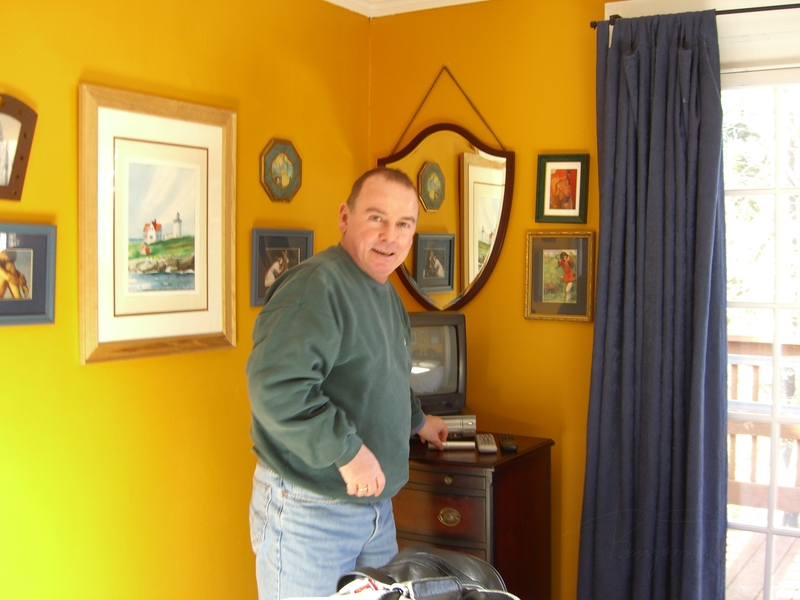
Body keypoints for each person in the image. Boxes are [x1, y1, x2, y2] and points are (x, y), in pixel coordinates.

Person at [246, 167, 449, 600]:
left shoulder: (383, 290)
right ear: (345, 217)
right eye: (377, 218)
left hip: (374, 512)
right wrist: (348, 452)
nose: (390, 236)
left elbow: (383, 375)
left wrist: (419, 422)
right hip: (310, 511)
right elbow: (277, 389)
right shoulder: (316, 286)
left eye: (404, 224)